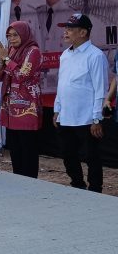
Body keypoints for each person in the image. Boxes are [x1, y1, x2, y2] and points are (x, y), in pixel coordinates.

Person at [54, 13, 108, 192]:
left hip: (86, 118)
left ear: (83, 32)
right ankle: (77, 184)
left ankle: (95, 189)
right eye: (66, 28)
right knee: (68, 155)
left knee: (92, 156)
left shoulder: (95, 56)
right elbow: (61, 84)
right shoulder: (65, 55)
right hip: (67, 115)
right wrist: (57, 109)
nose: (66, 32)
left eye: (70, 28)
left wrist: (96, 119)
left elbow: (100, 89)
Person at [0, 21, 43, 178]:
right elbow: (2, 74)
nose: (11, 39)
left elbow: (22, 75)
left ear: (24, 33)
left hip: (28, 106)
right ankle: (18, 178)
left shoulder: (33, 51)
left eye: (15, 35)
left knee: (28, 146)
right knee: (15, 146)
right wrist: (1, 61)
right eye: (9, 36)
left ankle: (30, 180)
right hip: (11, 106)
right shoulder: (13, 50)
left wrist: (6, 59)